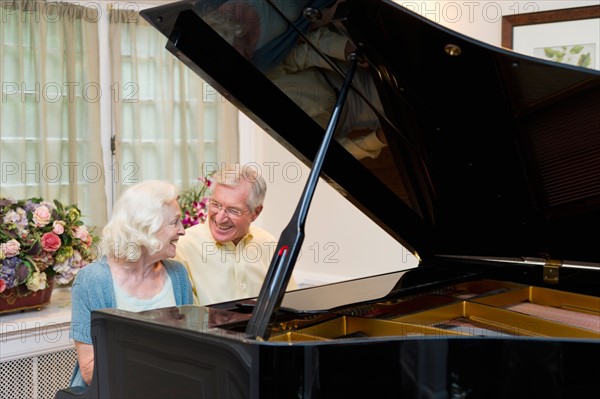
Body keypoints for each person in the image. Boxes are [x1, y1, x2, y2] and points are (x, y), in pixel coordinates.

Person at [68, 180, 193, 388]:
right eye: (175, 222)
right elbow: (90, 371)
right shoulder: (92, 281)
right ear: (147, 227)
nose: (183, 230)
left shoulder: (177, 275)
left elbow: (191, 349)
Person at [174, 163, 297, 305]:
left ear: (255, 213)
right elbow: (187, 319)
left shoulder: (268, 243)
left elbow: (288, 304)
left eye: (233, 210)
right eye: (216, 204)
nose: (220, 218)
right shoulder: (184, 247)